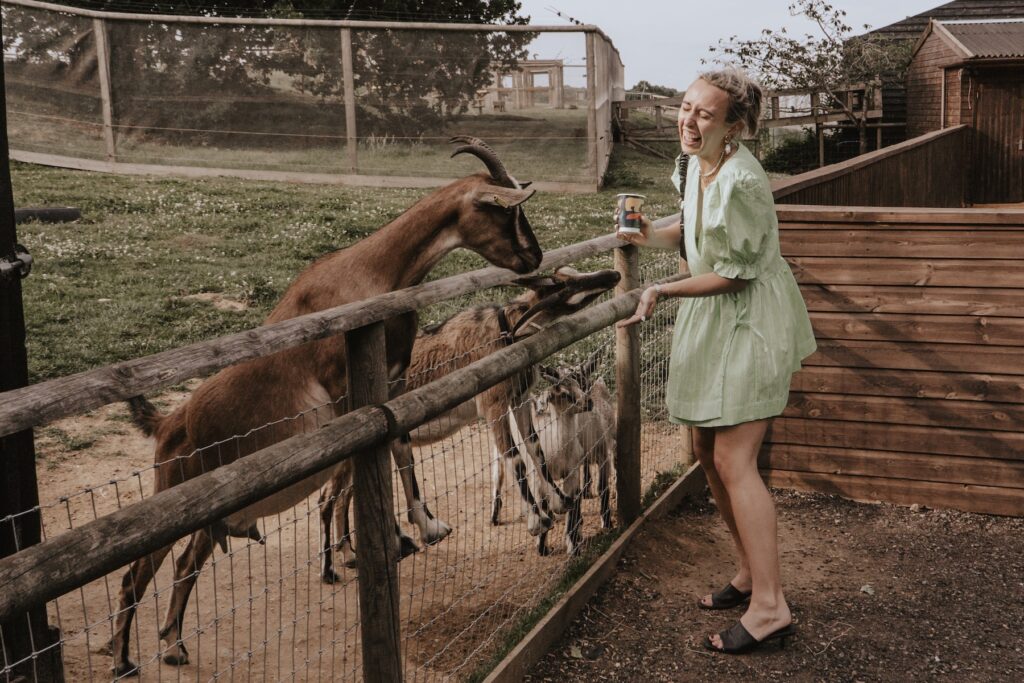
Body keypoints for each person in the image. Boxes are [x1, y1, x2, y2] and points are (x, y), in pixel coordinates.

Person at [616, 68, 816, 655]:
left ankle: (771, 606)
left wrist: (662, 291)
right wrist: (648, 234)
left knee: (734, 459)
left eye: (705, 114)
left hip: (749, 320)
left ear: (735, 126)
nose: (689, 120)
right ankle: (751, 574)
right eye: (685, 107)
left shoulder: (744, 182)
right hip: (718, 321)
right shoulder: (696, 167)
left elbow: (733, 273)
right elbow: (694, 229)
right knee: (706, 450)